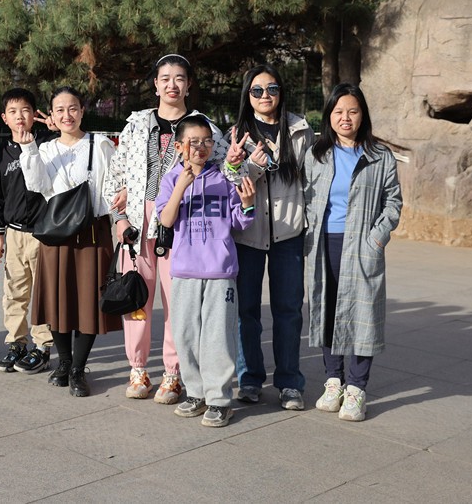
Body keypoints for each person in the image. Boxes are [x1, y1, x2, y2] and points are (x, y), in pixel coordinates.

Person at [104, 54, 240, 404]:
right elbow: (114, 174)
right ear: (155, 84)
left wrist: (242, 165)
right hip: (139, 222)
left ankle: (174, 373)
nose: (172, 85)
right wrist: (120, 218)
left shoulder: (205, 128)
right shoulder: (136, 125)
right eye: (165, 78)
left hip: (183, 225)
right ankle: (138, 369)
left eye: (179, 78)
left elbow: (225, 172)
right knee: (137, 296)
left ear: (189, 84)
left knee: (178, 303)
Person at [303, 83, 402, 422]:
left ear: (363, 115)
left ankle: (357, 388)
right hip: (323, 244)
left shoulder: (380, 156)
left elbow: (393, 202)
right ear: (329, 115)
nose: (345, 118)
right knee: (327, 310)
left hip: (362, 245)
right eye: (338, 111)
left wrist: (377, 238)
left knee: (363, 315)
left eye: (353, 111)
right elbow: (303, 196)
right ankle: (334, 381)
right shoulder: (316, 154)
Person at [19, 86, 123, 397]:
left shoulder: (100, 144)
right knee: (57, 300)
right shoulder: (45, 149)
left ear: (82, 110)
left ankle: (78, 368)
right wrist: (28, 149)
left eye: (73, 108)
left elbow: (113, 185)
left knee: (89, 302)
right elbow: (36, 185)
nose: (68, 115)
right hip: (56, 233)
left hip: (92, 232)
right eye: (60, 110)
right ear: (51, 115)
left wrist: (120, 220)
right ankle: (64, 362)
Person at [156, 116, 257, 427]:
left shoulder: (224, 178)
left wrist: (248, 203)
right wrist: (181, 186)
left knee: (217, 337)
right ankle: (195, 393)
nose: (201, 147)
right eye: (194, 142)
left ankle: (219, 399)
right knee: (185, 335)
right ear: (179, 146)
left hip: (219, 271)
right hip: (184, 272)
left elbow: (240, 221)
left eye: (207, 141)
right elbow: (166, 220)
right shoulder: (171, 179)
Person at [231, 63, 315, 410]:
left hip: (288, 231)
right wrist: (247, 165)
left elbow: (311, 182)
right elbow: (229, 184)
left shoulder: (300, 130)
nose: (265, 95)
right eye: (257, 90)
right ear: (247, 95)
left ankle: (290, 382)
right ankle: (250, 378)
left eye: (272, 89)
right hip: (248, 233)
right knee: (246, 311)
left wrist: (308, 227)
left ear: (281, 92)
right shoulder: (236, 134)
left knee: (288, 310)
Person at [0, 88, 54, 374]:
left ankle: (43, 346)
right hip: (13, 234)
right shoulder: (1, 154)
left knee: (43, 293)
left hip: (43, 232)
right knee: (14, 292)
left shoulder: (48, 144)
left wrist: (55, 129)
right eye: (12, 112)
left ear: (34, 114)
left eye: (25, 110)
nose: (19, 117)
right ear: (4, 118)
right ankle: (16, 343)